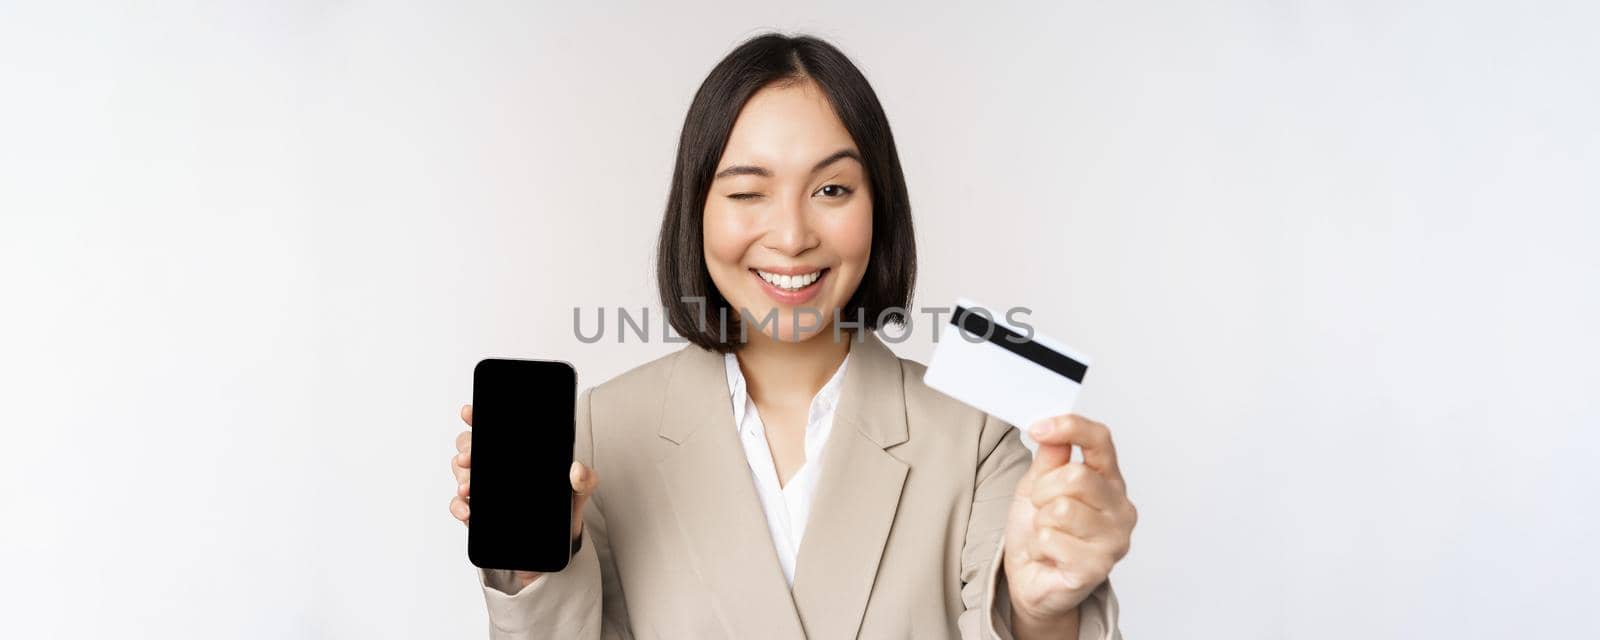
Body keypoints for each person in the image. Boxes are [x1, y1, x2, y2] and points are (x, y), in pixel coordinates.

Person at [448, 32, 1135, 639]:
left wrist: (1044, 614)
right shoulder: (606, 428)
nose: (792, 236)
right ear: (697, 211)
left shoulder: (976, 435)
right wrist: (534, 570)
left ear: (879, 207)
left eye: (832, 190)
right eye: (748, 192)